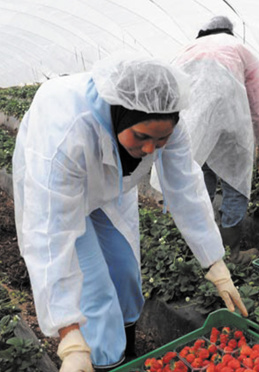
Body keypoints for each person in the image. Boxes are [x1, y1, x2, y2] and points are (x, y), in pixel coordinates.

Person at [12, 56, 247, 371]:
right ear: (121, 116)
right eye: (142, 137)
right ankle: (105, 360)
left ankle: (126, 353)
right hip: (60, 191)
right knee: (94, 289)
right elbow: (50, 234)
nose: (151, 149)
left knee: (125, 272)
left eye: (160, 139)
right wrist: (69, 335)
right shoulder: (67, 131)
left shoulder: (167, 124)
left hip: (110, 186)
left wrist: (215, 263)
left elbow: (186, 189)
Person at [150, 16, 259, 265]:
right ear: (230, 32)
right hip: (231, 120)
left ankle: (201, 249)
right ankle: (231, 252)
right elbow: (258, 106)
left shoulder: (185, 51)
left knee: (200, 178)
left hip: (193, 122)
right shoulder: (241, 50)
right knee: (235, 182)